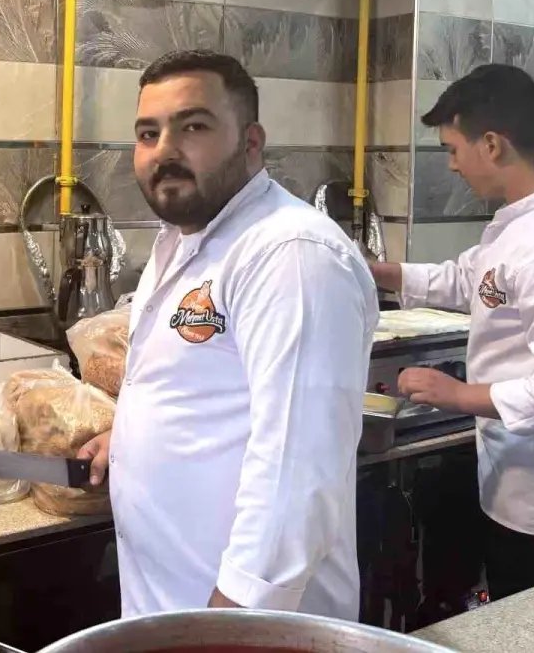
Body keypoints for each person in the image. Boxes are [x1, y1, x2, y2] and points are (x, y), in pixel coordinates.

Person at [79, 49, 378, 618]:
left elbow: (298, 467)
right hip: (172, 609)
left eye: (193, 127)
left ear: (251, 142)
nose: (165, 150)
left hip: (250, 625)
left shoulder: (290, 253)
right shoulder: (183, 240)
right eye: (148, 134)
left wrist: (233, 619)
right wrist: (132, 435)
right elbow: (203, 388)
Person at [368, 63, 534, 601]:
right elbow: (471, 280)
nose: (453, 165)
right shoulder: (523, 220)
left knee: (531, 618)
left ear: (493, 145)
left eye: (453, 149)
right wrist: (381, 272)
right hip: (514, 475)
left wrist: (458, 395)